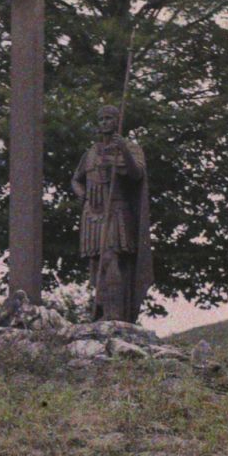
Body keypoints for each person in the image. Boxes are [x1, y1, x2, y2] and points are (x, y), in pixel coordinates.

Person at [71, 104, 154, 323]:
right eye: (101, 119)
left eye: (109, 118)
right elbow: (76, 179)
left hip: (116, 209)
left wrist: (123, 152)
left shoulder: (130, 147)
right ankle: (100, 312)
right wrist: (81, 194)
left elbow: (137, 175)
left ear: (117, 121)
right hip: (92, 212)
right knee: (97, 265)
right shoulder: (90, 153)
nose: (104, 122)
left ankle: (116, 315)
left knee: (111, 258)